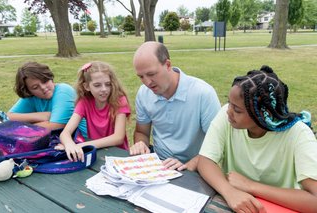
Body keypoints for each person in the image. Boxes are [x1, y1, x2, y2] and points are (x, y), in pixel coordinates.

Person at [197, 65, 317, 213]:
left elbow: (314, 200)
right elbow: (205, 161)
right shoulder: (227, 116)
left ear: (262, 115)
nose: (228, 111)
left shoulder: (299, 134)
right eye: (229, 103)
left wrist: (251, 186)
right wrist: (230, 192)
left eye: (237, 110)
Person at [129, 41, 221, 171]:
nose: (147, 82)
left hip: (196, 168)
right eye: (141, 77)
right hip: (159, 166)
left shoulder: (203, 93)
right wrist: (141, 144)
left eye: (151, 74)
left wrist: (187, 166)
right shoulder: (143, 93)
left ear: (167, 65)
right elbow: (141, 132)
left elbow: (217, 144)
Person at [59, 61, 131, 162]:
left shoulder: (119, 100)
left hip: (118, 155)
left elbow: (118, 137)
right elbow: (65, 133)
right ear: (86, 86)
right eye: (97, 85)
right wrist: (69, 145)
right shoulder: (84, 103)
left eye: (108, 84)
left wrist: (81, 145)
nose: (104, 89)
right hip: (96, 154)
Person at [7, 61, 87, 135]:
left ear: (50, 78)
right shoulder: (32, 97)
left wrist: (22, 126)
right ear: (28, 91)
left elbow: (55, 126)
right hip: (57, 142)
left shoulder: (63, 91)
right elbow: (7, 118)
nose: (43, 88)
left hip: (84, 141)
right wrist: (43, 116)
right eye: (35, 87)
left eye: (45, 81)